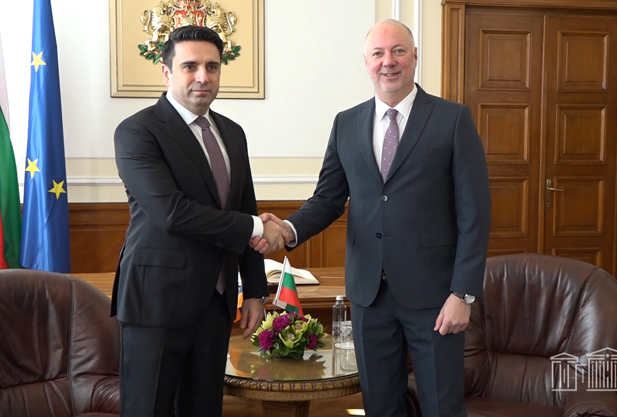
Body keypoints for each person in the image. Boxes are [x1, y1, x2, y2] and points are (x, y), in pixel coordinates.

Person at [253, 19, 491, 417]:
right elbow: (327, 200)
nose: (388, 62)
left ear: (415, 56)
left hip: (435, 297)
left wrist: (463, 295)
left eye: (398, 51)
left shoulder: (453, 119)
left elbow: (475, 214)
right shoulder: (346, 123)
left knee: (442, 407)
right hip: (369, 296)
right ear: (366, 63)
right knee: (380, 408)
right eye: (378, 54)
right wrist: (287, 230)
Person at [112, 25, 284, 417]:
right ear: (166, 72)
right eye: (190, 66)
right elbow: (172, 213)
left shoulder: (232, 133)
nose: (203, 76)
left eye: (212, 66)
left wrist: (254, 291)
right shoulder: (137, 131)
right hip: (155, 304)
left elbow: (245, 205)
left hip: (216, 304)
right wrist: (258, 227)